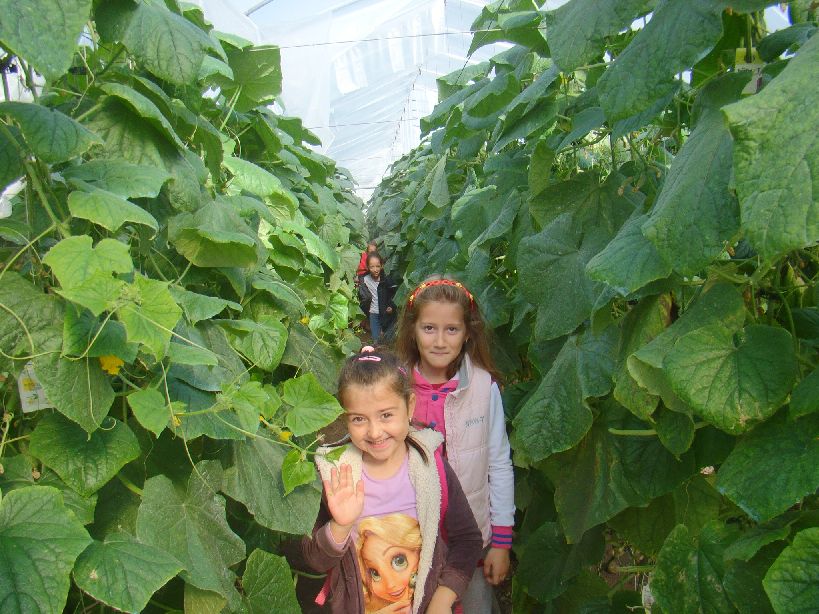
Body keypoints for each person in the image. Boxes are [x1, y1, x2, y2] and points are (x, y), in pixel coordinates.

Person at [302, 347, 483, 614]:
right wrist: (340, 526)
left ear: (410, 406)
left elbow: (467, 540)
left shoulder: (432, 469)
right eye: (359, 419)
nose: (375, 432)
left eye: (386, 415)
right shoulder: (335, 475)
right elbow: (314, 560)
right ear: (344, 417)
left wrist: (443, 598)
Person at [395, 278, 515, 614]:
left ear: (467, 334)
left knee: (474, 604)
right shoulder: (396, 386)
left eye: (451, 329)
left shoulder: (483, 388)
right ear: (413, 330)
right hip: (413, 535)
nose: (439, 340)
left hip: (470, 538)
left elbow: (499, 464)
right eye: (429, 328)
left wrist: (501, 540)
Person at [358, 253, 398, 342]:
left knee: (389, 339)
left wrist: (391, 306)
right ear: (368, 267)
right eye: (372, 267)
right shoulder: (364, 280)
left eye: (378, 266)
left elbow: (395, 295)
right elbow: (361, 296)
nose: (375, 270)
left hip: (386, 313)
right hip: (373, 313)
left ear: (382, 266)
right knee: (376, 339)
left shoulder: (387, 279)